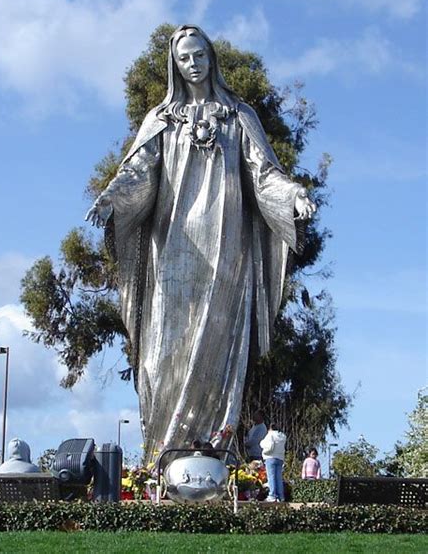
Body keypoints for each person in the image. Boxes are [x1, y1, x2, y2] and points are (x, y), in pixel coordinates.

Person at [86, 25, 316, 463]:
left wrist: (294, 195)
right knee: (159, 354)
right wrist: (113, 198)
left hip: (225, 250)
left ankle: (215, 458)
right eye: (184, 58)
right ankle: (161, 460)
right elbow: (138, 172)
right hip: (171, 247)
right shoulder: (161, 118)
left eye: (199, 55)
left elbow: (265, 175)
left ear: (212, 58)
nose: (193, 64)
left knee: (216, 350)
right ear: (174, 64)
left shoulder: (237, 115)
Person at [260, 423, 286, 502]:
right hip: (280, 458)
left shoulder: (270, 435)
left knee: (271, 477)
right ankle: (281, 496)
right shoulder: (283, 436)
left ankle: (272, 495)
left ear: (270, 428)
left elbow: (263, 444)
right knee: (278, 477)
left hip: (270, 457)